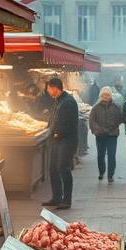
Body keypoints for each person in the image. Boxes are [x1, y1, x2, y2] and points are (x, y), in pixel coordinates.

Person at [44, 77, 79, 210]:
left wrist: (57, 133)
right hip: (56, 140)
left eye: (48, 88)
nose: (47, 91)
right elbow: (54, 118)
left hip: (66, 141)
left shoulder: (68, 102)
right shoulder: (59, 100)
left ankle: (66, 200)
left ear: (54, 88)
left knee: (63, 168)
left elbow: (70, 124)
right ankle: (56, 197)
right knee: (53, 168)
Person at [88, 87, 123, 182]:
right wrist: (99, 129)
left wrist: (110, 128)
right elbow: (92, 121)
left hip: (112, 135)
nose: (106, 96)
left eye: (107, 95)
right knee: (100, 155)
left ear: (110, 96)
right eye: (104, 95)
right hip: (100, 135)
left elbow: (119, 119)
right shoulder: (95, 108)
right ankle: (101, 172)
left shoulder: (116, 107)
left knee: (112, 155)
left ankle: (110, 175)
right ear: (101, 96)